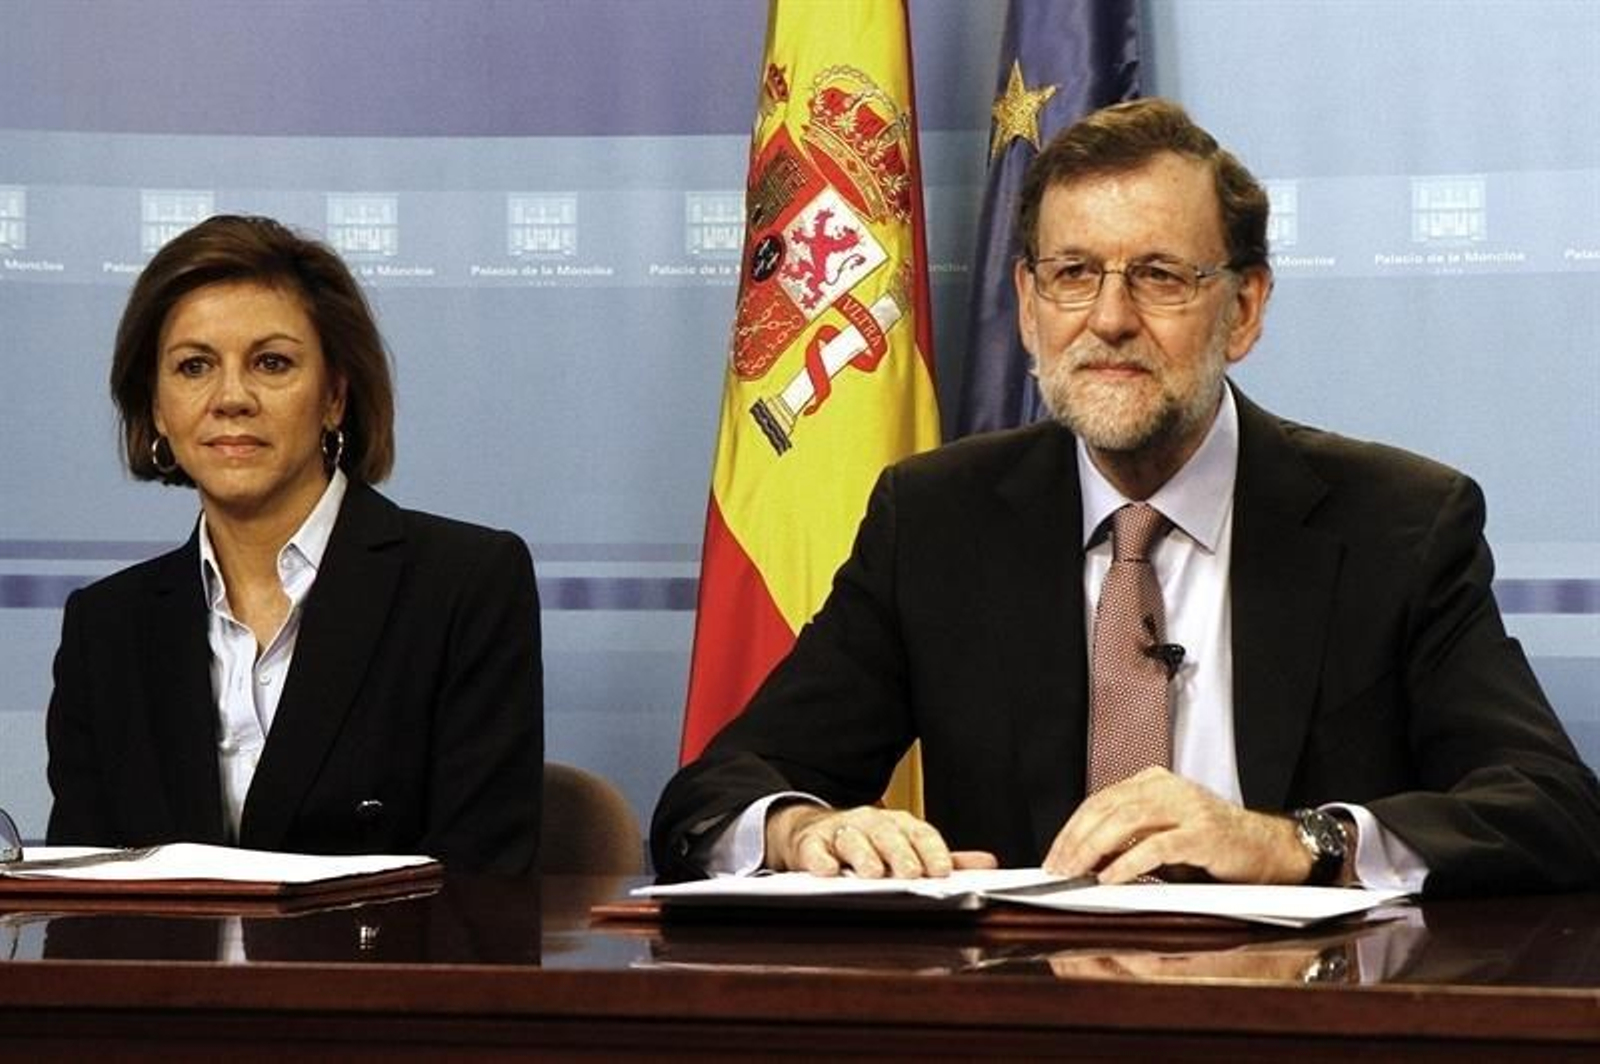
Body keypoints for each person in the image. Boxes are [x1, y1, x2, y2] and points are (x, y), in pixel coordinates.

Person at [652, 98, 1600, 896]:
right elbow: (711, 799)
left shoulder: (1396, 523)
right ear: (1027, 306)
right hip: (1023, 1024)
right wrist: (800, 833)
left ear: (1246, 306)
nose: (1109, 318)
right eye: (1073, 275)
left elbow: (1552, 810)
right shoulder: (937, 519)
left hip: (1301, 1020)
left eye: (1158, 276)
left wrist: (1294, 842)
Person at [45, 214, 543, 875]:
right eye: (194, 367)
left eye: (271, 363)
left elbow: (484, 893)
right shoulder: (105, 627)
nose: (231, 398)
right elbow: (84, 910)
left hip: (386, 976)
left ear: (335, 395)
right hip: (164, 982)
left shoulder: (465, 585)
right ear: (157, 408)